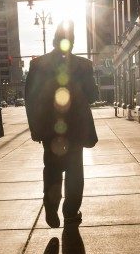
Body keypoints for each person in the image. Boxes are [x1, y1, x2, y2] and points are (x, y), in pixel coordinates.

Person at [25, 20, 99, 228]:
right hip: (76, 129)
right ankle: (70, 212)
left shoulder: (38, 64)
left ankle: (51, 207)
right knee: (75, 171)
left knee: (52, 168)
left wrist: (36, 129)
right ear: (72, 41)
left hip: (50, 130)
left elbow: (30, 99)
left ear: (54, 40)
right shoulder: (84, 65)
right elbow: (93, 96)